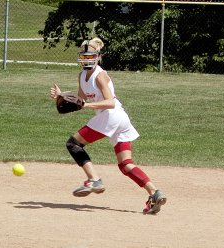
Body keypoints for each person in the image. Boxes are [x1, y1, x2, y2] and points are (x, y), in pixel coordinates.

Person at [49, 37, 167, 215]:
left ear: (98, 57)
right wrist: (60, 96)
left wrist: (86, 106)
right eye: (84, 57)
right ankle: (154, 192)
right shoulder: (81, 76)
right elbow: (80, 100)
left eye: (90, 57)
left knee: (73, 144)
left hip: (111, 116)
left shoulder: (100, 75)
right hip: (118, 119)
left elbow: (110, 102)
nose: (86, 60)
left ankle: (94, 179)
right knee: (125, 164)